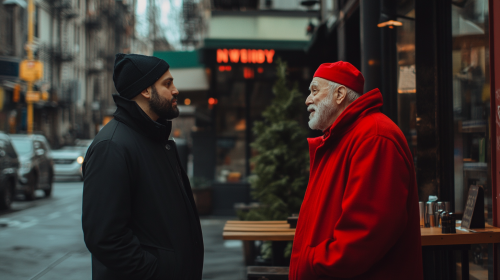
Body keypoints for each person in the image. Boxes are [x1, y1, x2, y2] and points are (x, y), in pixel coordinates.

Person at [289, 61, 423, 280]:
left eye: (314, 91)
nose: (308, 100)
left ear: (340, 94)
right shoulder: (344, 138)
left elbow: (367, 233)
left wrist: (312, 262)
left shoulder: (374, 138)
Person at [82, 53, 204, 280]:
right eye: (167, 84)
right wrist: (154, 272)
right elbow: (105, 237)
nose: (175, 90)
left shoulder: (155, 139)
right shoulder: (112, 146)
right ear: (146, 91)